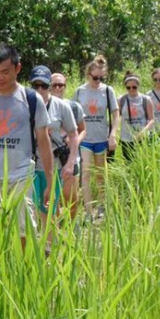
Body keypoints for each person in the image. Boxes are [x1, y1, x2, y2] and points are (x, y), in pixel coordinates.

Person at [0, 43, 53, 248]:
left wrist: (50, 181)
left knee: (24, 228)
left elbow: (44, 142)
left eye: (5, 72)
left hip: (21, 175)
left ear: (17, 69)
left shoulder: (31, 99)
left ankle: (25, 272)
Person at [29, 66, 79, 229]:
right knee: (31, 208)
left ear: (49, 86)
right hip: (29, 165)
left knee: (48, 207)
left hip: (53, 166)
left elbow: (74, 135)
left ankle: (51, 246)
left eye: (44, 86)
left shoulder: (61, 106)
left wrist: (71, 163)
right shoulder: (25, 104)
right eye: (35, 86)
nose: (40, 90)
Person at [72, 54, 119, 219]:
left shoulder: (107, 90)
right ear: (88, 74)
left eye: (101, 77)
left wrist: (113, 134)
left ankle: (101, 206)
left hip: (101, 138)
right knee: (85, 174)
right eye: (95, 77)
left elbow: (115, 113)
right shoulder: (79, 91)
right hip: (85, 139)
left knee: (100, 174)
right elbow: (73, 113)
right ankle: (88, 210)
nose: (98, 80)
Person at [51, 72, 85, 219]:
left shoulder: (74, 107)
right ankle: (56, 229)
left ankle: (72, 224)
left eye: (61, 85)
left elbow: (83, 130)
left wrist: (74, 141)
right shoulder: (42, 106)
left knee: (70, 195)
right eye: (54, 85)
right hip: (50, 157)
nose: (58, 88)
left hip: (70, 157)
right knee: (53, 196)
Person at [118, 73, 155, 162]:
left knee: (142, 163)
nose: (131, 89)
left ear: (138, 86)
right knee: (128, 164)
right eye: (128, 87)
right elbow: (117, 117)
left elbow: (152, 119)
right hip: (126, 138)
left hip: (142, 138)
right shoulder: (121, 100)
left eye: (134, 87)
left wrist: (143, 132)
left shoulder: (146, 99)